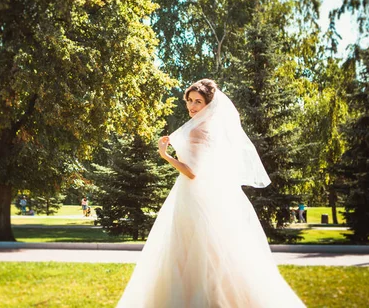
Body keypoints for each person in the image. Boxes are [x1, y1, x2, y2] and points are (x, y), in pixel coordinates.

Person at [117, 79, 305, 308]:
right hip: (207, 195)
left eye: (198, 101)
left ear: (209, 104)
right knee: (212, 254)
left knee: (192, 252)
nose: (193, 106)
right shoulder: (210, 127)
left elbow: (192, 172)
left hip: (193, 195)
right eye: (189, 100)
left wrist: (165, 155)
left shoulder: (198, 130)